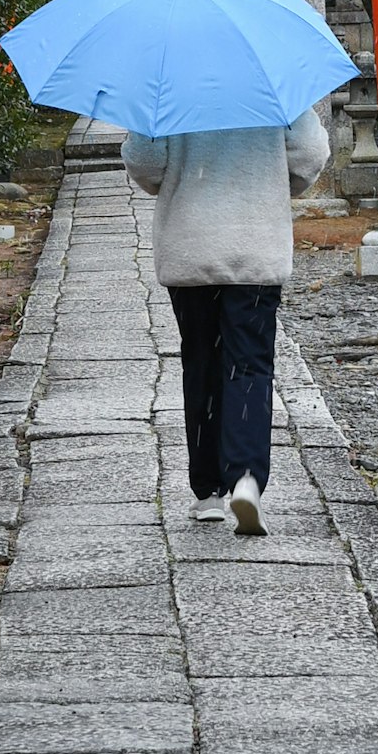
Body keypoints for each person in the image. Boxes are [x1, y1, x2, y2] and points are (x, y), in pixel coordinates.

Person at [125, 104, 331, 535]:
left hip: (191, 245)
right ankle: (246, 478)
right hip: (255, 243)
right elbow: (310, 155)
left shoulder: (166, 85)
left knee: (201, 361)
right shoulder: (272, 82)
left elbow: (145, 165)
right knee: (250, 363)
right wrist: (274, 179)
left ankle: (207, 494)